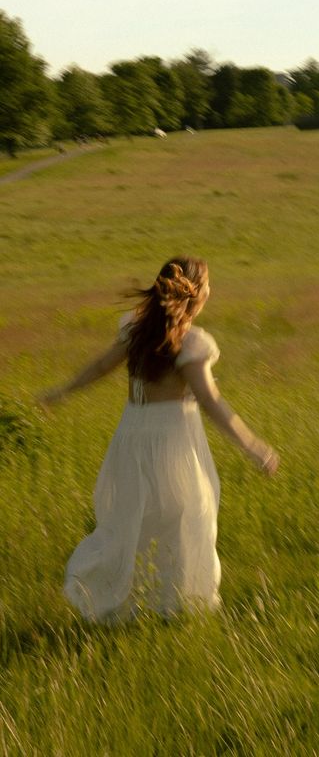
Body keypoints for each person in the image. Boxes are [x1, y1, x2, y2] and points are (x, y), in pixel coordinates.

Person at [40, 256, 279, 622]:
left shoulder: (137, 331)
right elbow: (211, 401)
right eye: (210, 285)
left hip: (132, 434)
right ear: (197, 294)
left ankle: (138, 600)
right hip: (173, 439)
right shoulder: (191, 343)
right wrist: (254, 446)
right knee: (188, 517)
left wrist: (63, 391)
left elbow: (102, 367)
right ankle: (175, 604)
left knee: (136, 518)